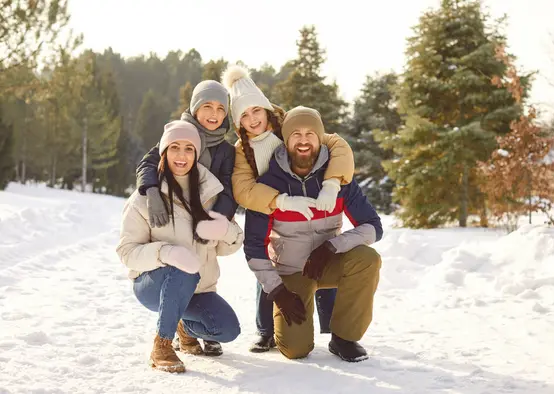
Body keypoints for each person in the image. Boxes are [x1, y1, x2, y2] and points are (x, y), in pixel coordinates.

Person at [222, 65, 356, 352]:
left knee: (323, 257)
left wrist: (332, 183)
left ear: (266, 109)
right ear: (238, 122)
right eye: (244, 115)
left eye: (256, 111)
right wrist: (279, 201)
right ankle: (266, 330)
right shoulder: (241, 150)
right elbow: (243, 189)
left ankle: (333, 328)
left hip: (314, 206)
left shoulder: (290, 128)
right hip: (273, 213)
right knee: (269, 263)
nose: (252, 119)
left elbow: (337, 144)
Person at [243, 106, 383, 362]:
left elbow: (373, 227)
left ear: (320, 138)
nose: (304, 140)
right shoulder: (268, 186)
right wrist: (278, 292)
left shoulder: (339, 181)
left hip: (327, 263)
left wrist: (331, 247)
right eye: (296, 134)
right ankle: (275, 329)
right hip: (291, 272)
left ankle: (344, 338)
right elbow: (253, 247)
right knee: (295, 350)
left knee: (367, 259)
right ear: (285, 141)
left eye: (310, 133)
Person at [116, 120, 243, 373]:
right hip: (153, 285)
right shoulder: (144, 198)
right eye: (174, 147)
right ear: (164, 151)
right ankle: (162, 344)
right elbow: (127, 253)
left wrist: (225, 230)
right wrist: (166, 253)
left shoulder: (211, 193)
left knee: (228, 329)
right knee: (182, 268)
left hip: (198, 289)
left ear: (196, 154)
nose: (181, 155)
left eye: (188, 149)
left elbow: (229, 245)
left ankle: (181, 324)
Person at [136, 80, 237, 225]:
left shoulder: (226, 151)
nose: (214, 113)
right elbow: (148, 163)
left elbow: (228, 193)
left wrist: (211, 221)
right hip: (171, 213)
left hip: (204, 218)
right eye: (207, 106)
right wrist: (152, 192)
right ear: (195, 108)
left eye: (221, 108)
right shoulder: (177, 134)